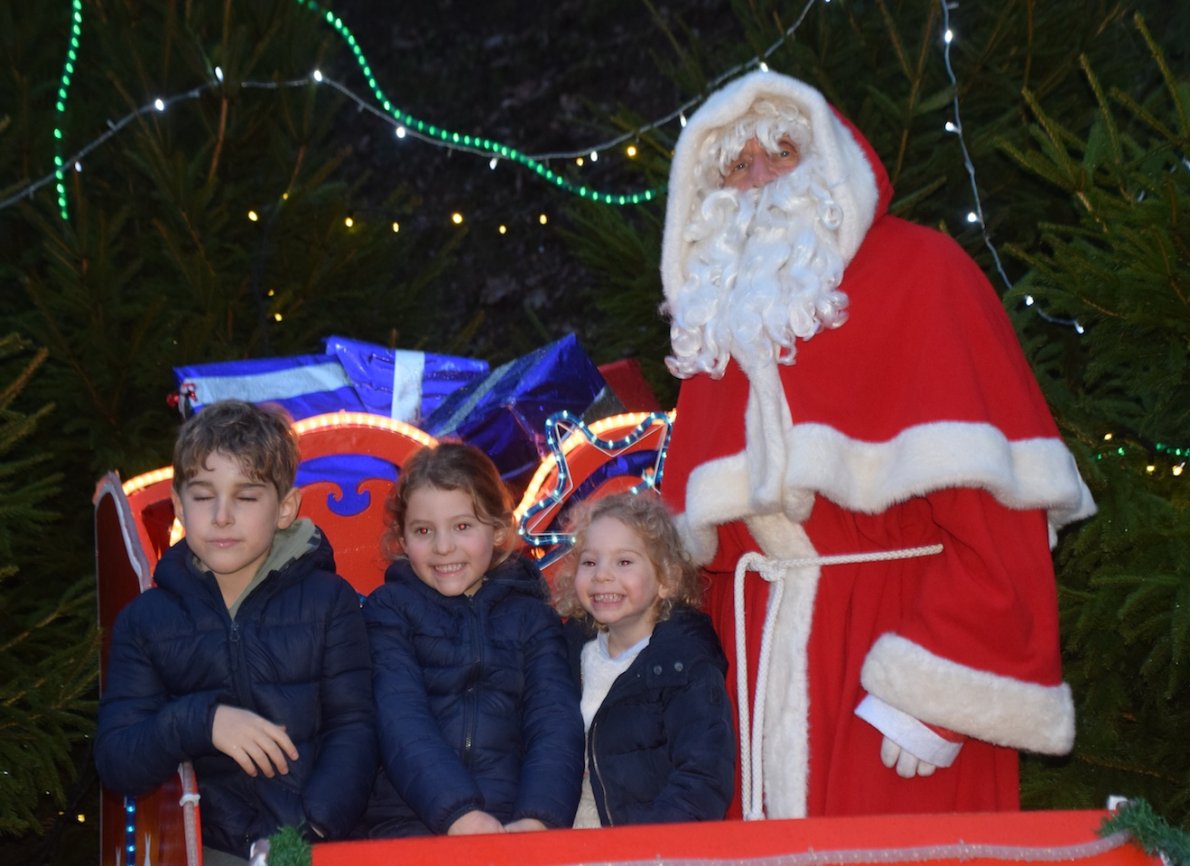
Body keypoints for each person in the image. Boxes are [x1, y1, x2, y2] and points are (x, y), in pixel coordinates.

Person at [657, 70, 1097, 819]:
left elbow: (1004, 522)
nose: (760, 179)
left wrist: (937, 693)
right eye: (738, 165)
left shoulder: (926, 273)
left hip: (890, 669)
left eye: (782, 153)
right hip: (747, 690)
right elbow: (696, 560)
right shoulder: (714, 325)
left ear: (827, 160)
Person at [95, 400, 377, 864]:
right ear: (179, 505)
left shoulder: (329, 602)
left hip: (323, 839)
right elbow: (117, 758)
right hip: (213, 847)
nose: (222, 516)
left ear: (285, 508)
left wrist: (310, 831)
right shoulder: (147, 622)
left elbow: (355, 729)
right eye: (203, 496)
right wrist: (203, 722)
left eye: (246, 497)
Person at [361, 442, 582, 836]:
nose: (443, 547)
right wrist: (458, 813)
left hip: (510, 821)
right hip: (406, 820)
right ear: (403, 539)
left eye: (462, 526)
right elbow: (399, 717)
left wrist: (539, 817)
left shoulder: (533, 618)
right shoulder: (389, 610)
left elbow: (554, 722)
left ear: (497, 530)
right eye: (423, 531)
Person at [553, 493, 734, 827]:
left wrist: (650, 846)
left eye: (624, 562)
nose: (602, 575)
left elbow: (701, 776)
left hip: (643, 839)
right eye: (590, 562)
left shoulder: (685, 663)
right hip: (565, 832)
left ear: (666, 580)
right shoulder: (567, 651)